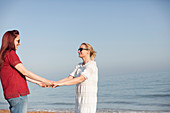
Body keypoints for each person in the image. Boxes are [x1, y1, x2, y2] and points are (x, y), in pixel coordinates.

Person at [0, 30, 53, 113]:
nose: (19, 43)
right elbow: (25, 72)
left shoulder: (3, 55)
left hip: (12, 95)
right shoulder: (11, 53)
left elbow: (20, 74)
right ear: (11, 40)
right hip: (18, 95)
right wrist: (47, 81)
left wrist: (37, 82)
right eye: (18, 41)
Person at [53, 43, 98, 113]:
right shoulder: (79, 66)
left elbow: (81, 78)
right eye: (78, 49)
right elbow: (70, 78)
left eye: (81, 49)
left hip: (88, 102)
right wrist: (55, 83)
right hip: (79, 101)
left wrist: (61, 84)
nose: (78, 51)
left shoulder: (91, 65)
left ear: (88, 51)